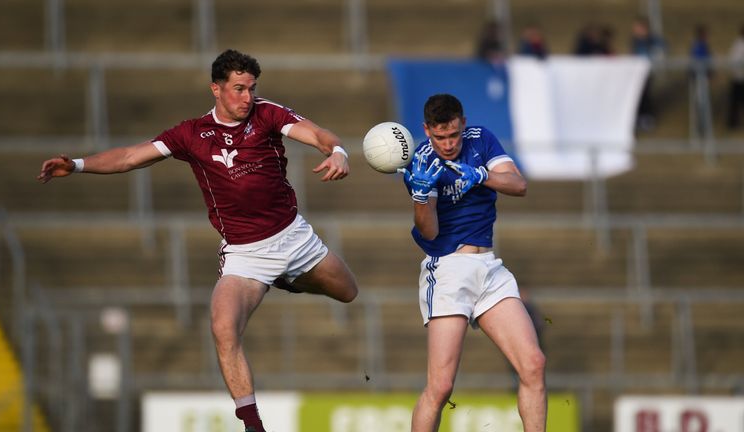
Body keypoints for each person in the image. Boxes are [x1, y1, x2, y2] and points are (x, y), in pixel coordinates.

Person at [37, 49, 358, 432]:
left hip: (293, 237)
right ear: (216, 89)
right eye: (238, 89)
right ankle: (252, 424)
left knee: (348, 292)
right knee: (223, 326)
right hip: (245, 254)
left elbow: (319, 134)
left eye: (251, 89)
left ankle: (289, 279)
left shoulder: (268, 114)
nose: (246, 98)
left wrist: (337, 151)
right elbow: (127, 157)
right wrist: (76, 164)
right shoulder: (190, 134)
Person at [397, 94, 546, 431]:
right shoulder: (422, 163)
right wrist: (421, 197)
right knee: (440, 387)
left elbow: (518, 185)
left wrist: (481, 175)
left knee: (534, 364)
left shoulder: (481, 140)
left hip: (490, 268)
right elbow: (429, 231)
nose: (447, 144)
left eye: (452, 135)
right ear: (426, 131)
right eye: (439, 137)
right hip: (448, 268)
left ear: (462, 124)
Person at [630, 16, 665, 131]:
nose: (636, 31)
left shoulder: (652, 41)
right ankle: (639, 117)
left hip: (647, 71)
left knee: (645, 94)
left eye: (638, 28)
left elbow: (661, 49)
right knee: (638, 94)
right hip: (636, 71)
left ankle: (647, 118)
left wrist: (653, 61)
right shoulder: (635, 41)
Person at [727, 25, 744, 129]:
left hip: (738, 77)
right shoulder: (738, 45)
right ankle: (733, 123)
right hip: (739, 78)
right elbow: (734, 60)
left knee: (736, 102)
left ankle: (734, 122)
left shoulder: (737, 44)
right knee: (735, 102)